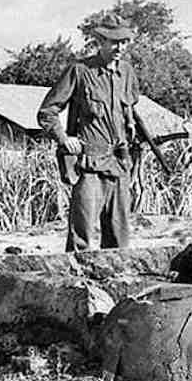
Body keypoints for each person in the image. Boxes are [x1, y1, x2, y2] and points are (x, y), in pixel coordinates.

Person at [37, 13, 149, 251]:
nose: (120, 47)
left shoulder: (127, 72)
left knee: (119, 239)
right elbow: (47, 112)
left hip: (119, 164)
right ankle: (78, 286)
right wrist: (64, 139)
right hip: (89, 165)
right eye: (114, 42)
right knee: (82, 238)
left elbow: (128, 111)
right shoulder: (79, 71)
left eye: (124, 42)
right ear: (101, 41)